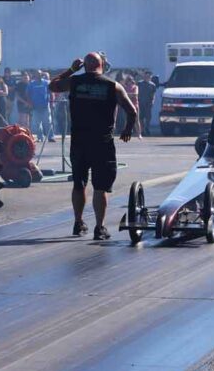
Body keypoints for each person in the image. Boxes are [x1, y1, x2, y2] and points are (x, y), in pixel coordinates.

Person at [50, 52, 137, 240]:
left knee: (79, 183)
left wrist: (71, 70)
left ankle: (78, 223)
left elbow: (52, 86)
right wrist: (127, 130)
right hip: (102, 142)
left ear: (85, 66)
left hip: (79, 141)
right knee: (100, 186)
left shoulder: (74, 82)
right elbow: (132, 111)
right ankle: (100, 227)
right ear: (102, 65)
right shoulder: (113, 86)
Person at [28, 70, 54, 142]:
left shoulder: (46, 83)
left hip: (45, 106)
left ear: (41, 74)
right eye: (37, 74)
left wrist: (52, 102)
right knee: (37, 123)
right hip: (35, 107)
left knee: (48, 122)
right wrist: (30, 103)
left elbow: (51, 93)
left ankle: (51, 137)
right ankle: (40, 137)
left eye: (39, 74)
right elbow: (28, 94)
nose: (38, 75)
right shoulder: (31, 84)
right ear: (35, 75)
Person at [121, 74, 142, 138]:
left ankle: (139, 134)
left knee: (136, 120)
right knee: (126, 120)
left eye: (131, 80)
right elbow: (122, 95)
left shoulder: (135, 87)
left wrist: (127, 94)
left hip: (135, 105)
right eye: (128, 80)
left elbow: (135, 94)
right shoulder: (124, 87)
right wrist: (128, 95)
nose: (130, 81)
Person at [137, 71, 156, 136]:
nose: (147, 77)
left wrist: (153, 101)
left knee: (148, 117)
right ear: (143, 76)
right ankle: (142, 130)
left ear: (150, 77)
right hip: (141, 103)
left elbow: (153, 94)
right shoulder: (139, 83)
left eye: (148, 76)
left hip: (148, 103)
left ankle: (147, 128)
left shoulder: (153, 85)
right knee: (141, 117)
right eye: (146, 76)